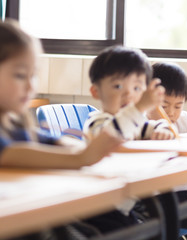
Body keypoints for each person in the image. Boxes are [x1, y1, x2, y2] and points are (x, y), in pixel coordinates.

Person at [0, 20, 134, 240]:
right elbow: (9, 154)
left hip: (35, 211)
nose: (30, 85)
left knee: (115, 221)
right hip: (13, 221)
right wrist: (82, 156)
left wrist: (78, 147)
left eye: (33, 75)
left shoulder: (14, 123)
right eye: (20, 75)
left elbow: (51, 141)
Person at [84, 49, 187, 240]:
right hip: (105, 209)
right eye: (117, 86)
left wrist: (161, 127)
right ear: (95, 91)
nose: (128, 95)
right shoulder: (97, 122)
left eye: (136, 88)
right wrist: (140, 108)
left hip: (137, 203)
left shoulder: (138, 123)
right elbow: (109, 135)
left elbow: (166, 131)